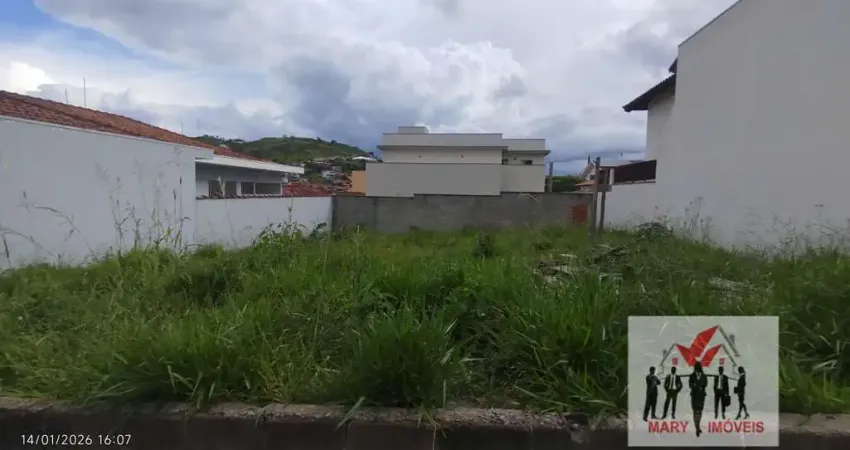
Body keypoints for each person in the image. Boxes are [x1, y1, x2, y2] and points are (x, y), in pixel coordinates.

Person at [688, 362, 708, 437]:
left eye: (698, 369)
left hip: (701, 395)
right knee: (695, 410)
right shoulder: (692, 376)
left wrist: (701, 386)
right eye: (696, 369)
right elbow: (690, 384)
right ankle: (697, 427)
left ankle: (698, 425)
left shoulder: (704, 376)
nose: (697, 370)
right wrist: (694, 385)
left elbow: (706, 384)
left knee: (699, 410)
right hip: (694, 395)